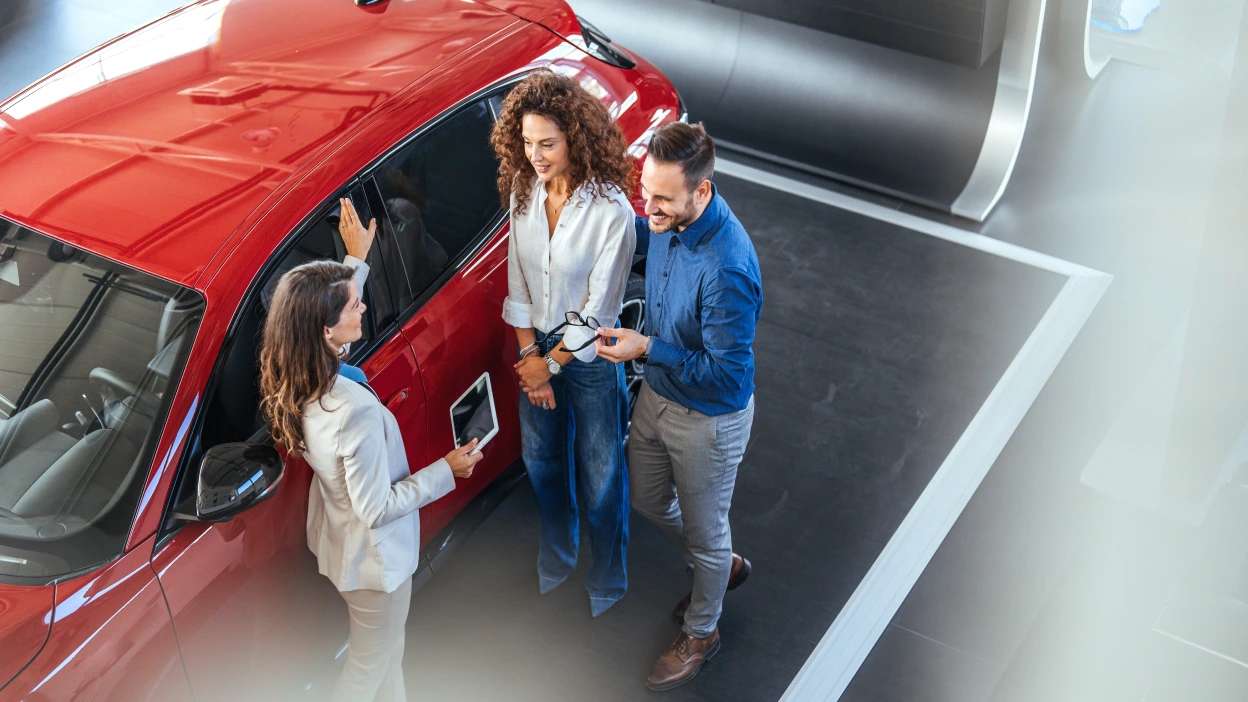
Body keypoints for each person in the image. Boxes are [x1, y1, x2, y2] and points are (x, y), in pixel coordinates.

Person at [258, 198, 483, 702]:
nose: (364, 304)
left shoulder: (300, 369)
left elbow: (332, 308)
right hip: (374, 566)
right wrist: (446, 470)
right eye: (354, 303)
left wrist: (355, 260)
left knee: (385, 655)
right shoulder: (350, 411)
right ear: (327, 329)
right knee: (367, 668)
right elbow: (376, 507)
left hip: (345, 551)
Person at [595, 122, 763, 691]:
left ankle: (703, 629)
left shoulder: (729, 269)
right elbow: (646, 239)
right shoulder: (668, 219)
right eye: (646, 192)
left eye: (662, 199)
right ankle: (721, 565)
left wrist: (647, 347)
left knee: (707, 534)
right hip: (659, 397)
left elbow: (726, 375)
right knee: (646, 501)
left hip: (708, 421)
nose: (652, 207)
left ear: (702, 192)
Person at [490, 69, 636, 616]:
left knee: (601, 479)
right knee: (542, 464)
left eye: (547, 143)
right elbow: (518, 279)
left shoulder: (611, 211)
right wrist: (530, 356)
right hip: (540, 349)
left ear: (575, 137)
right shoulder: (524, 190)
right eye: (527, 143)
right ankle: (557, 559)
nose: (536, 156)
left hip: (590, 357)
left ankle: (607, 579)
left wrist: (548, 365)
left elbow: (598, 312)